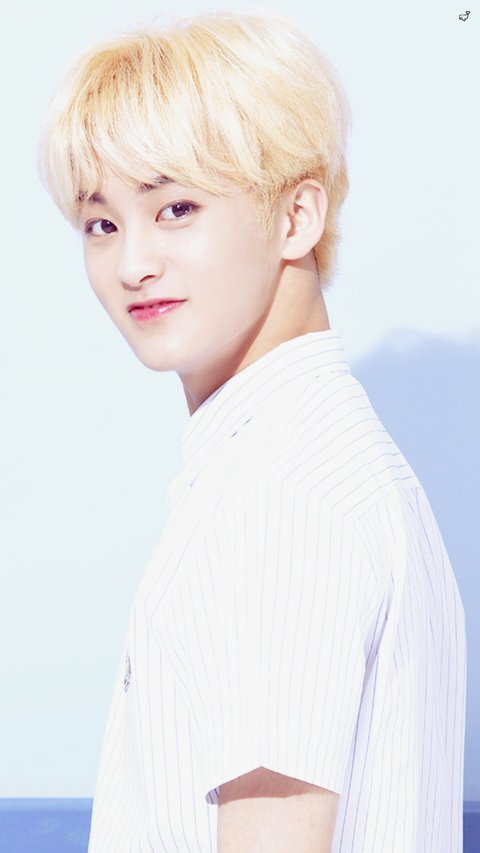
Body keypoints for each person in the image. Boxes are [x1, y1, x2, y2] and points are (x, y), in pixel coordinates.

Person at [38, 9, 467, 852]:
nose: (132, 264)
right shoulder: (328, 461)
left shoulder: (278, 496)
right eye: (101, 223)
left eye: (176, 207)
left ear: (297, 216)